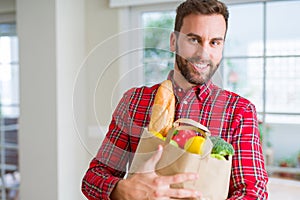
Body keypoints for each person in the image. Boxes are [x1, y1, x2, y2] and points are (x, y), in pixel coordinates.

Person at [81, 0, 269, 199]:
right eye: (194, 40)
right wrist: (124, 190)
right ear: (173, 41)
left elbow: (253, 192)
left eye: (214, 42)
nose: (203, 53)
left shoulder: (239, 111)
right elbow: (93, 178)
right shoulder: (134, 101)